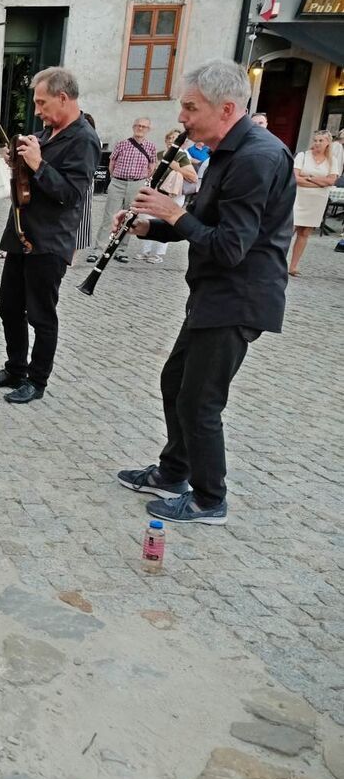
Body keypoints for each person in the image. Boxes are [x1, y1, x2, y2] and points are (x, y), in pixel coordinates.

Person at [113, 59, 295, 525]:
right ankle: (173, 472)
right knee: (175, 382)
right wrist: (149, 226)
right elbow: (203, 224)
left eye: (190, 107)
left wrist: (174, 214)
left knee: (201, 399)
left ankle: (209, 499)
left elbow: (230, 247)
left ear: (226, 108)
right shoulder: (228, 151)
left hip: (239, 296)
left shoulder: (257, 157)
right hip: (214, 292)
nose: (182, 117)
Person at [0, 66, 100, 404]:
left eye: (42, 103)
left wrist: (38, 165)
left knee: (41, 315)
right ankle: (15, 368)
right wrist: (16, 159)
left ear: (63, 98)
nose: (38, 110)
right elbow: (28, 174)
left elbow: (72, 194)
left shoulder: (84, 140)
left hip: (50, 241)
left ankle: (37, 380)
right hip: (22, 233)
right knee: (8, 307)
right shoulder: (47, 133)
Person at [91, 117, 156, 263]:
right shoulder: (122, 144)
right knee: (109, 216)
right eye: (138, 125)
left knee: (130, 217)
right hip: (118, 183)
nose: (140, 128)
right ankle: (99, 249)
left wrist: (140, 181)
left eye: (144, 127)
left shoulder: (151, 147)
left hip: (137, 184)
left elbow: (152, 167)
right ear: (133, 127)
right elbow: (111, 163)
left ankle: (120, 250)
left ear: (148, 130)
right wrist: (115, 178)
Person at [136, 128, 197, 263]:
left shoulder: (181, 155)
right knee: (149, 217)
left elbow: (193, 177)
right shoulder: (160, 154)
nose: (171, 141)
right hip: (157, 190)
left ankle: (158, 254)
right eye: (169, 138)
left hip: (173, 193)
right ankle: (145, 251)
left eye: (175, 138)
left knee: (166, 220)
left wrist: (174, 166)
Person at [288, 130, 340, 276]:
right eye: (315, 140)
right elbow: (296, 178)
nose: (317, 143)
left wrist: (309, 178)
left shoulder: (332, 160)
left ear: (328, 143)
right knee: (289, 230)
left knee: (305, 232)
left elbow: (331, 181)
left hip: (317, 201)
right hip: (299, 198)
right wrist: (319, 182)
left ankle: (293, 266)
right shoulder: (303, 156)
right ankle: (278, 262)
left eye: (321, 141)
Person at [71, 112, 97, 265]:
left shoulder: (91, 141)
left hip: (85, 185)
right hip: (75, 184)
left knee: (82, 220)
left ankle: (73, 255)